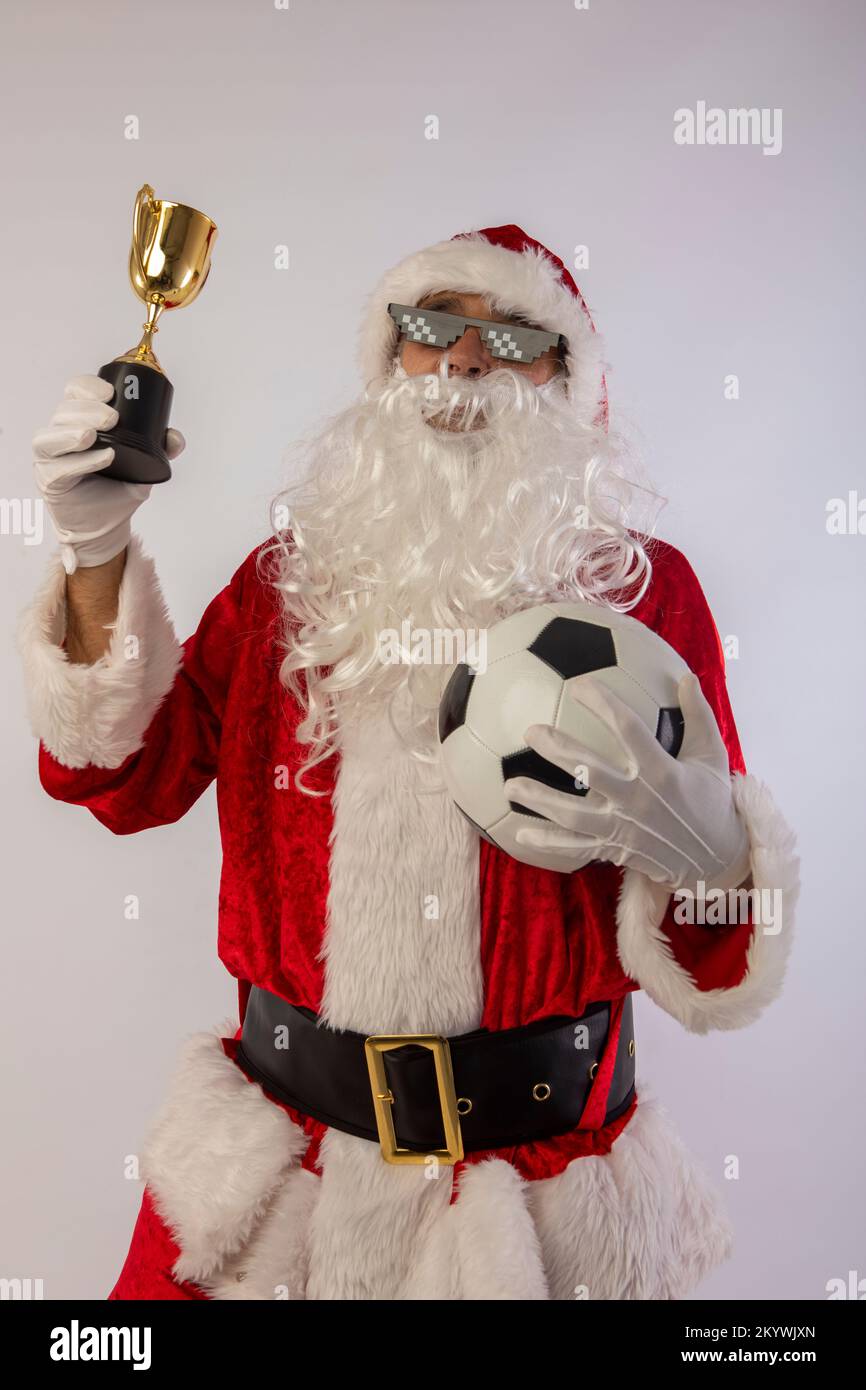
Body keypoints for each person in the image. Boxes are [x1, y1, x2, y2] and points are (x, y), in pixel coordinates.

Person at [18, 224, 799, 1301]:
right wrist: (94, 557)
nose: (463, 360)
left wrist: (699, 841)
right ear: (389, 363)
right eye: (430, 328)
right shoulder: (283, 590)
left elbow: (716, 964)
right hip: (276, 1181)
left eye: (509, 337)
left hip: (531, 1205)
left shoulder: (640, 597)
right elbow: (123, 780)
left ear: (567, 383)